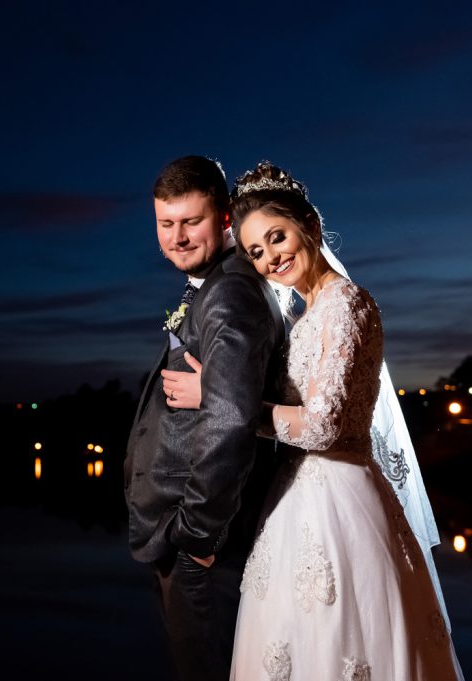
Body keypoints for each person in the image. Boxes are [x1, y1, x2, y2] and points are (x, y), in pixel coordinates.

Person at [163, 162, 465, 680]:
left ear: (310, 225)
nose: (270, 258)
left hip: (339, 505)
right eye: (255, 251)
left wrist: (215, 397)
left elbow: (324, 426)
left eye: (276, 238)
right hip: (297, 502)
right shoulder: (306, 314)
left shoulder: (345, 304)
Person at [124, 156, 288, 681]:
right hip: (181, 530)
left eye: (190, 222)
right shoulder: (212, 285)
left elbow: (232, 418)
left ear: (223, 219)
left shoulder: (230, 292)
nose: (176, 237)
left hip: (196, 538)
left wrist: (197, 537)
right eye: (165, 224)